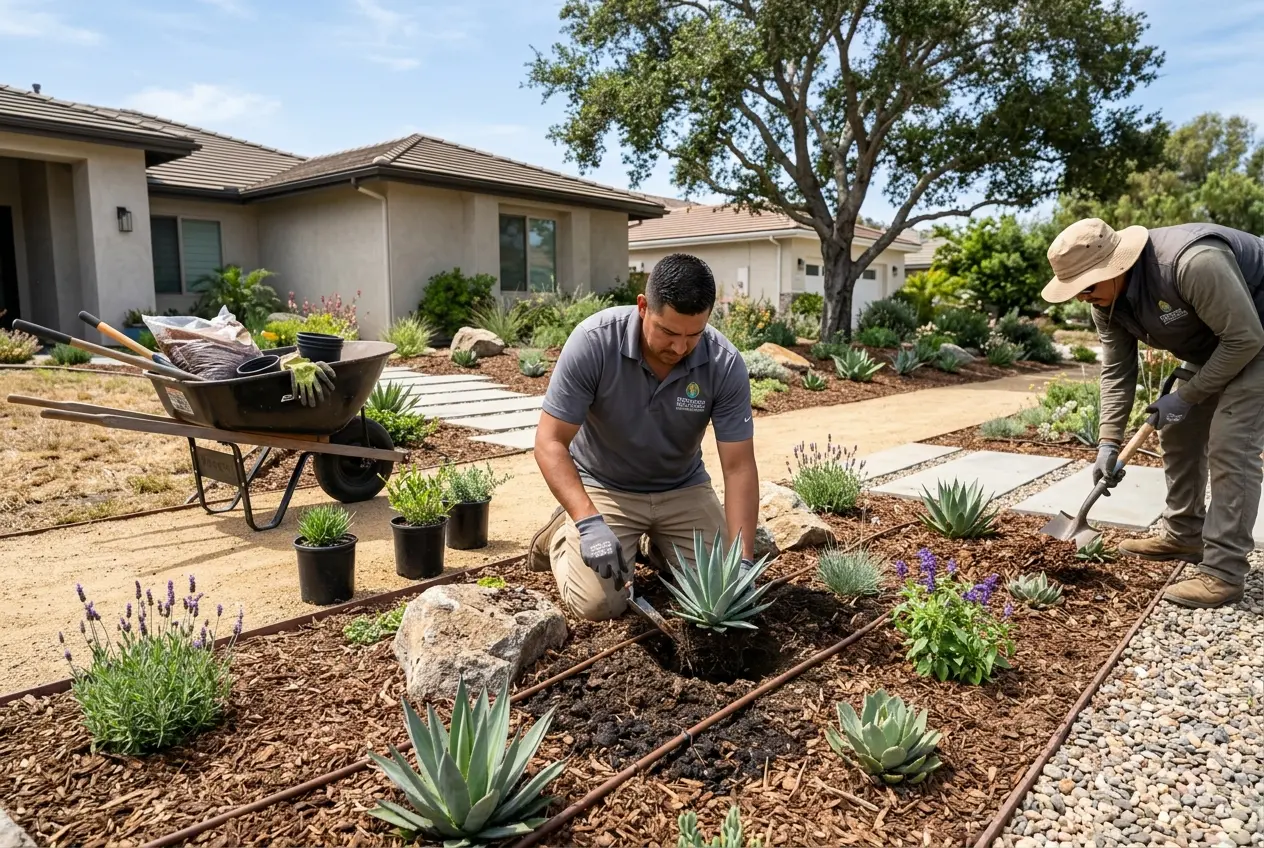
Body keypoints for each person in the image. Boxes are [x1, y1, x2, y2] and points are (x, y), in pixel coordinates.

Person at [1041, 217, 1264, 609]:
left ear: (1115, 266)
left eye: (1086, 286)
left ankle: (1224, 572)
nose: (1081, 297)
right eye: (1074, 290)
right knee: (1177, 426)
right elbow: (1117, 370)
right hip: (1221, 341)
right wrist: (1108, 443)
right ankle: (1184, 534)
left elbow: (1245, 339)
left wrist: (1187, 394)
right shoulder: (1105, 302)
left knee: (1233, 442)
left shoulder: (1192, 263)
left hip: (1254, 335)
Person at [528, 253, 760, 621]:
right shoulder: (594, 342)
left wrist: (743, 561)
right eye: (668, 332)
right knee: (600, 605)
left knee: (722, 594)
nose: (680, 348)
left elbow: (739, 467)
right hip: (605, 486)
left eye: (693, 335)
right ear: (642, 307)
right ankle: (562, 534)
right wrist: (588, 521)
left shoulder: (724, 363)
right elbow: (549, 442)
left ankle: (656, 543)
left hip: (682, 488)